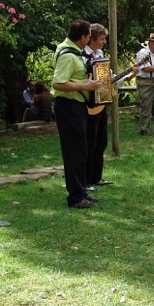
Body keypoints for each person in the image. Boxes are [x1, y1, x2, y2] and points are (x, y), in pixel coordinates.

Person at [52, 19, 100, 209]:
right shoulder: (67, 55)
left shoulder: (71, 49)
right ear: (83, 37)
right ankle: (75, 197)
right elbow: (57, 83)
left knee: (81, 150)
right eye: (89, 36)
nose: (90, 39)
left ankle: (81, 192)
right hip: (68, 106)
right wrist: (85, 86)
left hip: (77, 106)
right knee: (74, 152)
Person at [84, 23, 137, 190]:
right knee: (89, 144)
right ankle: (86, 180)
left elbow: (109, 78)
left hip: (101, 103)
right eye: (101, 39)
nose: (104, 42)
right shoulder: (82, 56)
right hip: (87, 104)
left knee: (101, 142)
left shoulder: (100, 54)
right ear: (91, 40)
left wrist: (128, 76)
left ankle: (96, 177)